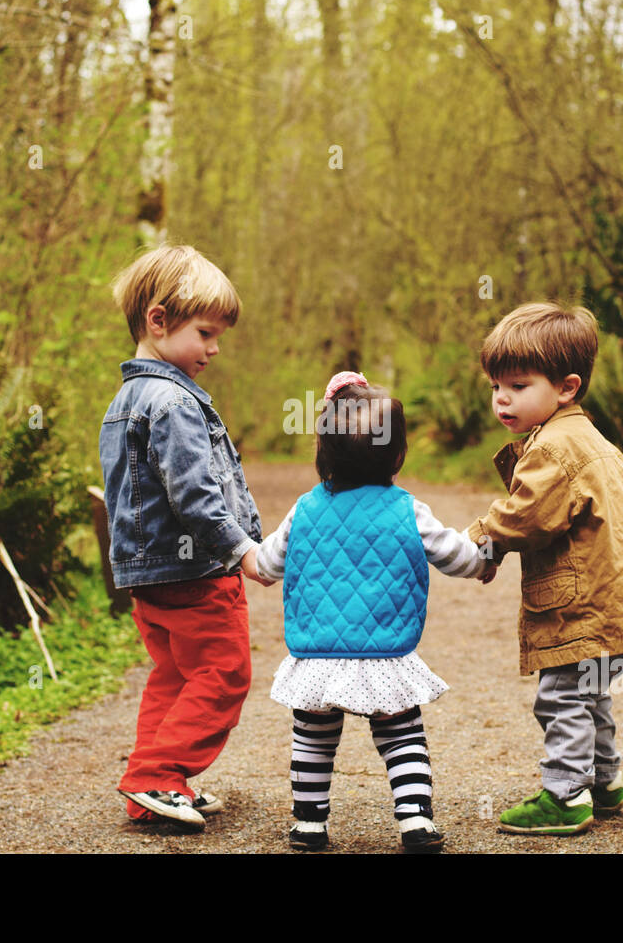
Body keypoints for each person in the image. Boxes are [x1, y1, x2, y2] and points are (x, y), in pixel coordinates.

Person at [253, 372, 493, 853]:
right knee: (402, 734)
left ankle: (309, 825)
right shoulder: (409, 510)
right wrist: (488, 556)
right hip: (386, 651)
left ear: (323, 451)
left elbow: (266, 564)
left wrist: (239, 549)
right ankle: (414, 822)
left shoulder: (303, 510)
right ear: (397, 454)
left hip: (317, 654)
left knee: (313, 740)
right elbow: (459, 557)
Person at [465, 301, 623, 835]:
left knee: (562, 696)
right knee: (592, 690)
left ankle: (565, 795)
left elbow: (526, 516)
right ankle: (604, 780)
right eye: (496, 387)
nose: (502, 399)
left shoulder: (555, 449)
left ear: (566, 387)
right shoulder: (589, 438)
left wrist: (480, 540)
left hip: (587, 603)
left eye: (518, 385)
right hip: (620, 600)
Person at [98, 243, 268, 830]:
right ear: (158, 321)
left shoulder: (123, 402)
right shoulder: (173, 401)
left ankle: (155, 784)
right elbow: (195, 495)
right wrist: (241, 547)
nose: (214, 349)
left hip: (148, 578)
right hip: (195, 573)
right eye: (205, 333)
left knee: (174, 676)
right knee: (224, 673)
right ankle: (155, 776)